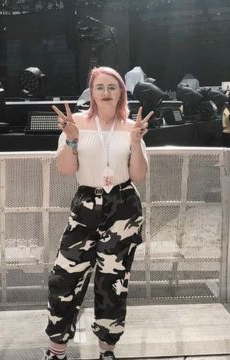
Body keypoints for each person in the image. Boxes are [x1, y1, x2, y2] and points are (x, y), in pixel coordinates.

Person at [44, 66, 151, 360]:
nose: (106, 93)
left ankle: (107, 350)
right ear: (91, 92)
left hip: (123, 205)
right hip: (86, 204)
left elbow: (139, 175)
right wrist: (71, 139)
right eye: (100, 87)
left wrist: (136, 142)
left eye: (112, 87)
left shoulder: (132, 126)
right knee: (64, 278)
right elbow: (66, 170)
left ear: (121, 92)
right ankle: (57, 350)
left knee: (112, 282)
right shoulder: (75, 123)